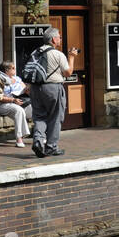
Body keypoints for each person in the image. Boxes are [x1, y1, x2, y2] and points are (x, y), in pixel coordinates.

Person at [31, 27, 77, 158]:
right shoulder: (57, 54)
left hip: (35, 88)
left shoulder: (35, 52)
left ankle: (38, 141)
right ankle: (51, 147)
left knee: (39, 116)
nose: (61, 39)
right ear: (53, 39)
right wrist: (72, 57)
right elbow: (68, 73)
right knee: (55, 117)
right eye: (59, 37)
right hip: (52, 88)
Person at [0, 60, 31, 148]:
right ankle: (19, 138)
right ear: (7, 70)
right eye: (13, 68)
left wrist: (28, 90)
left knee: (37, 109)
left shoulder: (17, 79)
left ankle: (40, 136)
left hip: (20, 102)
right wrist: (13, 100)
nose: (15, 69)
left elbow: (25, 90)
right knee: (19, 110)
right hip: (4, 105)